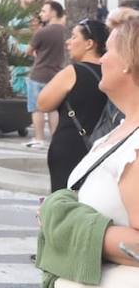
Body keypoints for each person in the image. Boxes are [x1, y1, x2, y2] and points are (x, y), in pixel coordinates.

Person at [60, 18, 139, 288]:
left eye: (109, 49)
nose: (101, 57)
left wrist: (75, 230)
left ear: (129, 64)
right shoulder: (123, 127)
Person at [37, 18, 109, 192]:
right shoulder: (112, 73)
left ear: (89, 44)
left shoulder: (73, 72)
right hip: (103, 146)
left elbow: (43, 103)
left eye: (74, 37)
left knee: (64, 199)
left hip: (71, 144)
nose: (68, 42)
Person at [26, 1, 68, 150]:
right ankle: (55, 139)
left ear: (53, 13)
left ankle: (39, 138)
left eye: (44, 11)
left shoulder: (43, 32)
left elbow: (29, 51)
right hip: (56, 74)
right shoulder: (65, 31)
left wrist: (37, 54)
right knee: (53, 109)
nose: (41, 14)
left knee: (37, 109)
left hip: (39, 73)